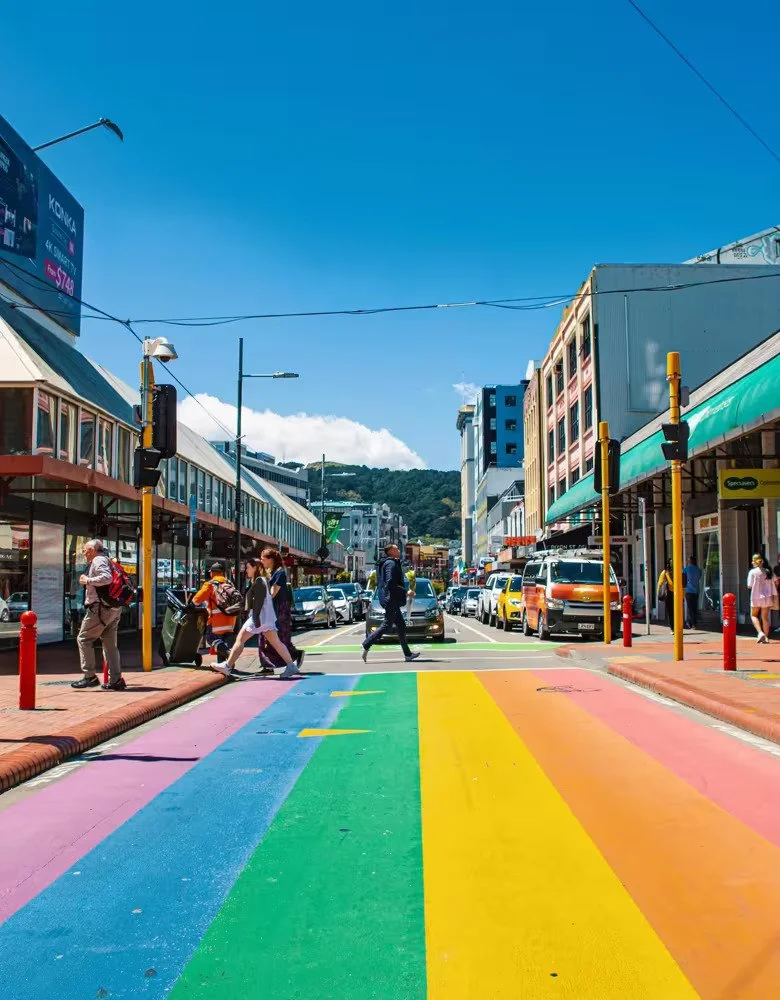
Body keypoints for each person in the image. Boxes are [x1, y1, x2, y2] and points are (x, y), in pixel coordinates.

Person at [223, 557, 298, 679]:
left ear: (255, 568)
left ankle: (227, 666)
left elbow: (258, 602)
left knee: (240, 639)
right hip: (265, 618)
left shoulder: (259, 581)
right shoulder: (261, 580)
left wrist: (256, 620)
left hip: (259, 618)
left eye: (248, 567)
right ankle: (291, 666)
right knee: (276, 642)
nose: (246, 570)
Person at [71, 539, 126, 691]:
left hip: (100, 609)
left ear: (94, 550)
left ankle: (90, 676)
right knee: (109, 645)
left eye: (86, 550)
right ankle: (116, 680)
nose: (84, 553)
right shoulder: (108, 560)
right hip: (113, 608)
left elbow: (106, 578)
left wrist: (87, 580)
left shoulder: (98, 560)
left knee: (84, 638)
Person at [362, 544, 420, 663]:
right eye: (396, 548)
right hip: (391, 599)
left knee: (401, 626)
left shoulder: (391, 563)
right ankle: (366, 644)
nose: (399, 550)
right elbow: (390, 583)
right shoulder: (391, 564)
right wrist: (406, 591)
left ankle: (408, 654)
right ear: (391, 551)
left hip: (392, 599)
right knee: (387, 625)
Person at [258, 547, 304, 673]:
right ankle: (267, 665)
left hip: (279, 609)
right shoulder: (270, 572)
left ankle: (294, 654)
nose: (262, 561)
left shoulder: (280, 573)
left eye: (263, 559)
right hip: (270, 607)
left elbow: (273, 592)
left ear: (271, 560)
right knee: (264, 636)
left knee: (280, 637)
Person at [193, 562, 239, 664]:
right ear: (222, 573)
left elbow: (196, 600)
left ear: (212, 573)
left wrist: (190, 605)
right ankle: (222, 665)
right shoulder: (230, 583)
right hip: (231, 620)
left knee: (210, 639)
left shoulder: (210, 584)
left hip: (217, 622)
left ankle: (228, 654)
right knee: (222, 643)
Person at [747, 554, 775, 644]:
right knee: (765, 618)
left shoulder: (752, 572)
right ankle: (766, 637)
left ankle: (760, 633)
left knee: (754, 615)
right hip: (767, 597)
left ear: (754, 562)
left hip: (755, 596)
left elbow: (749, 585)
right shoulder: (768, 572)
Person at [683, 554, 702, 629]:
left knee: (690, 608)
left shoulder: (686, 569)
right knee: (694, 608)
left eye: (688, 560)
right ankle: (692, 622)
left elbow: (683, 578)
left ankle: (693, 624)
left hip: (689, 591)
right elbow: (699, 578)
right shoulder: (698, 570)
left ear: (690, 561)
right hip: (696, 591)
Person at [657, 559, 675, 632]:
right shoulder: (665, 572)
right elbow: (660, 584)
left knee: (673, 611)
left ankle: (674, 627)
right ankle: (672, 628)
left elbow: (659, 584)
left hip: (674, 593)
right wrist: (659, 594)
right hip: (669, 593)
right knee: (670, 611)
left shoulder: (675, 572)